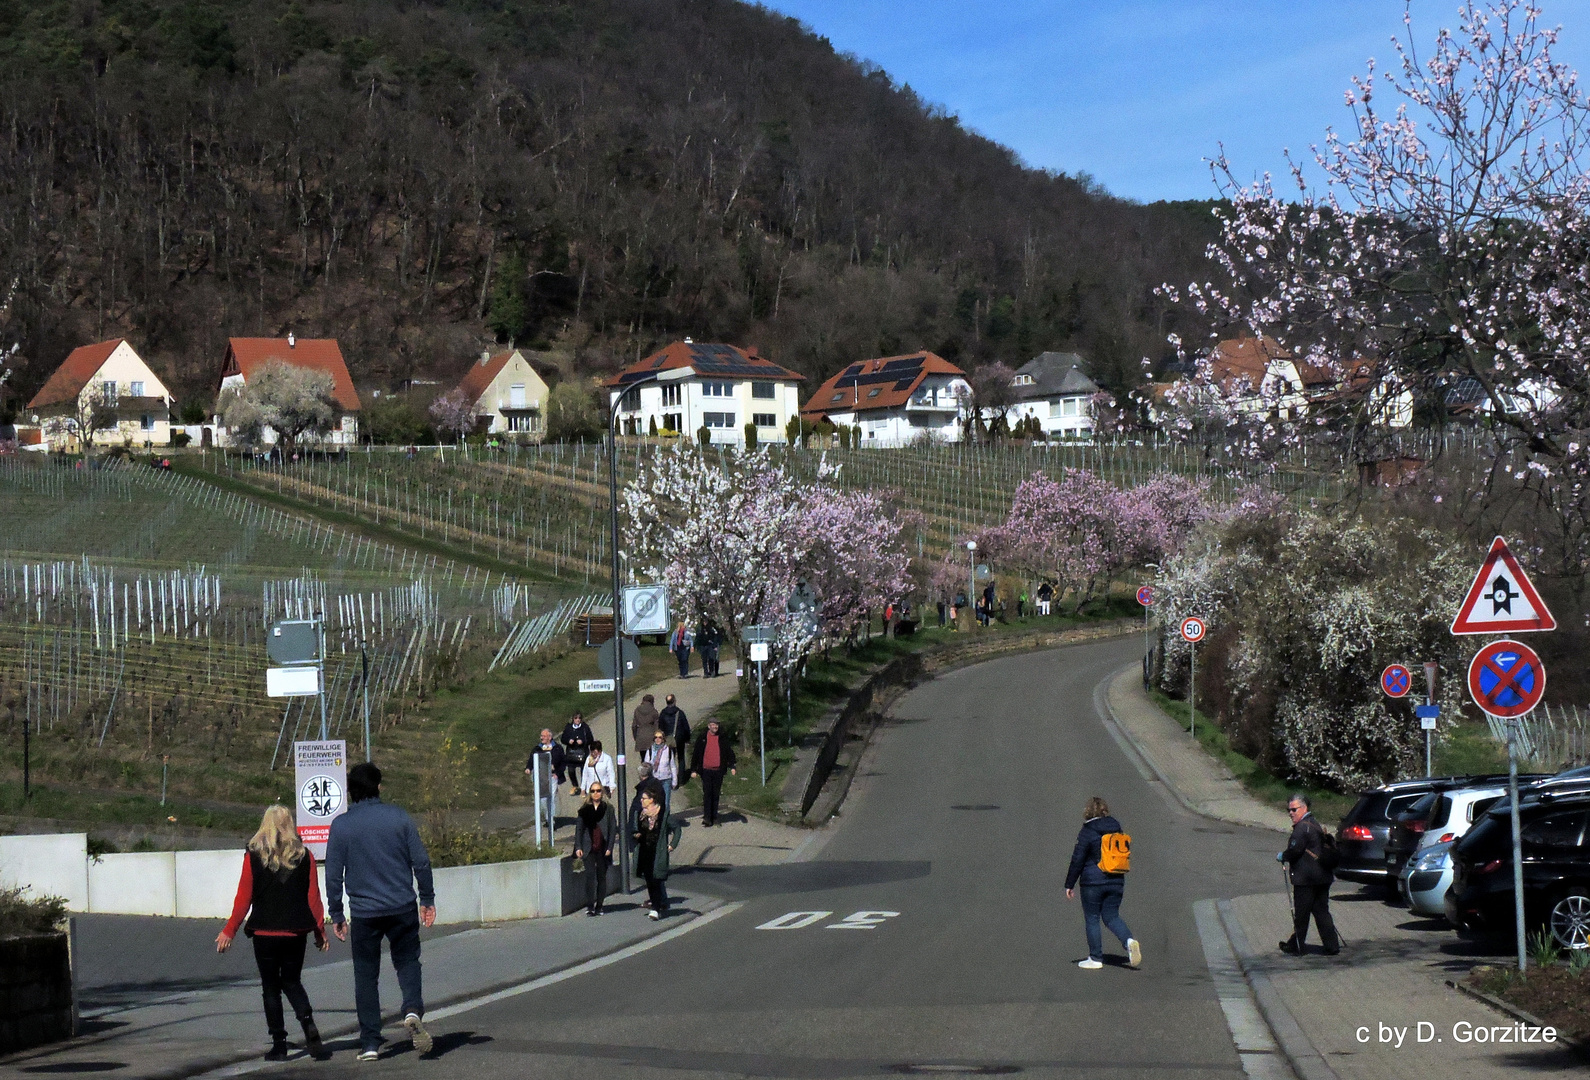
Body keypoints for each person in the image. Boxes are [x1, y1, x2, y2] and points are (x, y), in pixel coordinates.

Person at [325, 762, 436, 1061]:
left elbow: (333, 874)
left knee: (365, 975)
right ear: (378, 787)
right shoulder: (399, 818)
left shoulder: (342, 825)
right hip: (401, 906)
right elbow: (421, 862)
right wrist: (427, 897)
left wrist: (336, 913)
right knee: (408, 961)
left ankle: (371, 1043)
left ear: (350, 791)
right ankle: (412, 1009)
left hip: (364, 912)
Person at [215, 805, 328, 1061]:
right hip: (296, 930)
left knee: (270, 988)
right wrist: (320, 931)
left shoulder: (253, 856)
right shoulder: (305, 856)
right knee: (292, 981)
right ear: (290, 824)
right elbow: (313, 898)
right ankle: (307, 1021)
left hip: (265, 931)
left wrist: (229, 930)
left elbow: (243, 897)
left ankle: (279, 1044)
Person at [1064, 796, 1141, 970]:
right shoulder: (1116, 828)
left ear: (1088, 812)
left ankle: (1095, 958)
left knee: (1092, 918)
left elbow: (1078, 859)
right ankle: (1128, 941)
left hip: (1093, 882)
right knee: (1112, 916)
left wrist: (1069, 884)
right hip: (1116, 878)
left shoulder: (1088, 831)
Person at [1279, 793, 1341, 956]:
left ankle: (1296, 946)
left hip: (1306, 879)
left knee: (1301, 914)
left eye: (1294, 810)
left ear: (1304, 808)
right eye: (1289, 810)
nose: (1291, 813)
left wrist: (1283, 856)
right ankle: (1332, 945)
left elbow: (1295, 850)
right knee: (1321, 911)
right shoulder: (1314, 824)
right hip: (1322, 877)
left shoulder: (1301, 829)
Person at [632, 788, 683, 920]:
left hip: (658, 852)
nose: (641, 801)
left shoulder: (663, 815)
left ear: (651, 800)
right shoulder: (640, 814)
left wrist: (672, 845)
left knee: (656, 880)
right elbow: (634, 830)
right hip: (644, 851)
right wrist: (635, 835)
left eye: (644, 799)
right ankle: (657, 905)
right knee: (649, 880)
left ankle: (656, 908)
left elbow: (677, 828)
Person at [574, 783, 617, 915]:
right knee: (590, 876)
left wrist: (610, 847)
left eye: (598, 791)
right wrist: (578, 847)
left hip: (603, 847)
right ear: (589, 793)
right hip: (588, 846)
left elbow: (612, 829)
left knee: (601, 876)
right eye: (593, 791)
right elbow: (579, 829)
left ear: (602, 792)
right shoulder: (585, 809)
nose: (596, 793)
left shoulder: (608, 809)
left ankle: (600, 905)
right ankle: (590, 906)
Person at [690, 718, 737, 827]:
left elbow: (728, 752)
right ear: (708, 726)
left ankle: (714, 816)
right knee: (707, 793)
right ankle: (707, 817)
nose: (715, 727)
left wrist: (732, 765)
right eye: (713, 725)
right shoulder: (702, 738)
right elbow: (696, 754)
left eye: (716, 725)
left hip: (718, 771)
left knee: (715, 794)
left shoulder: (722, 738)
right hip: (706, 770)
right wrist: (693, 770)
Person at [524, 728, 566, 832]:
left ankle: (551, 821)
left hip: (552, 778)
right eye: (541, 736)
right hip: (541, 778)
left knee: (550, 798)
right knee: (542, 800)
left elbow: (563, 763)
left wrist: (557, 773)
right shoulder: (537, 749)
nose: (541, 737)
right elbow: (531, 760)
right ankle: (548, 818)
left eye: (544, 736)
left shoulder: (557, 748)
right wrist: (528, 768)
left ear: (550, 737)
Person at [644, 728, 679, 814]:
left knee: (665, 803)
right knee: (655, 802)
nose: (658, 739)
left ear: (663, 739)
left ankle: (665, 822)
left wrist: (674, 781)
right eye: (656, 737)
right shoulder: (650, 751)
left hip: (666, 780)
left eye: (660, 737)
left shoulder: (668, 751)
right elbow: (646, 766)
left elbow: (673, 766)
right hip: (654, 780)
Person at [560, 712, 594, 796]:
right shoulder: (568, 727)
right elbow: (563, 739)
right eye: (576, 718)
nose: (577, 720)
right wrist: (568, 741)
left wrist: (583, 741)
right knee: (571, 771)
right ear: (573, 719)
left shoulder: (585, 728)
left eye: (579, 718)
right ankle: (575, 786)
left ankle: (584, 788)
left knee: (584, 771)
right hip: (571, 753)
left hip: (583, 752)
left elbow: (591, 739)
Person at [659, 694, 692, 777]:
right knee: (681, 758)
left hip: (668, 739)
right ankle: (681, 778)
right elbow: (686, 727)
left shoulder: (663, 713)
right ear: (674, 701)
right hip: (679, 738)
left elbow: (660, 727)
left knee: (669, 758)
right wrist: (687, 738)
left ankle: (670, 777)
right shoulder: (679, 713)